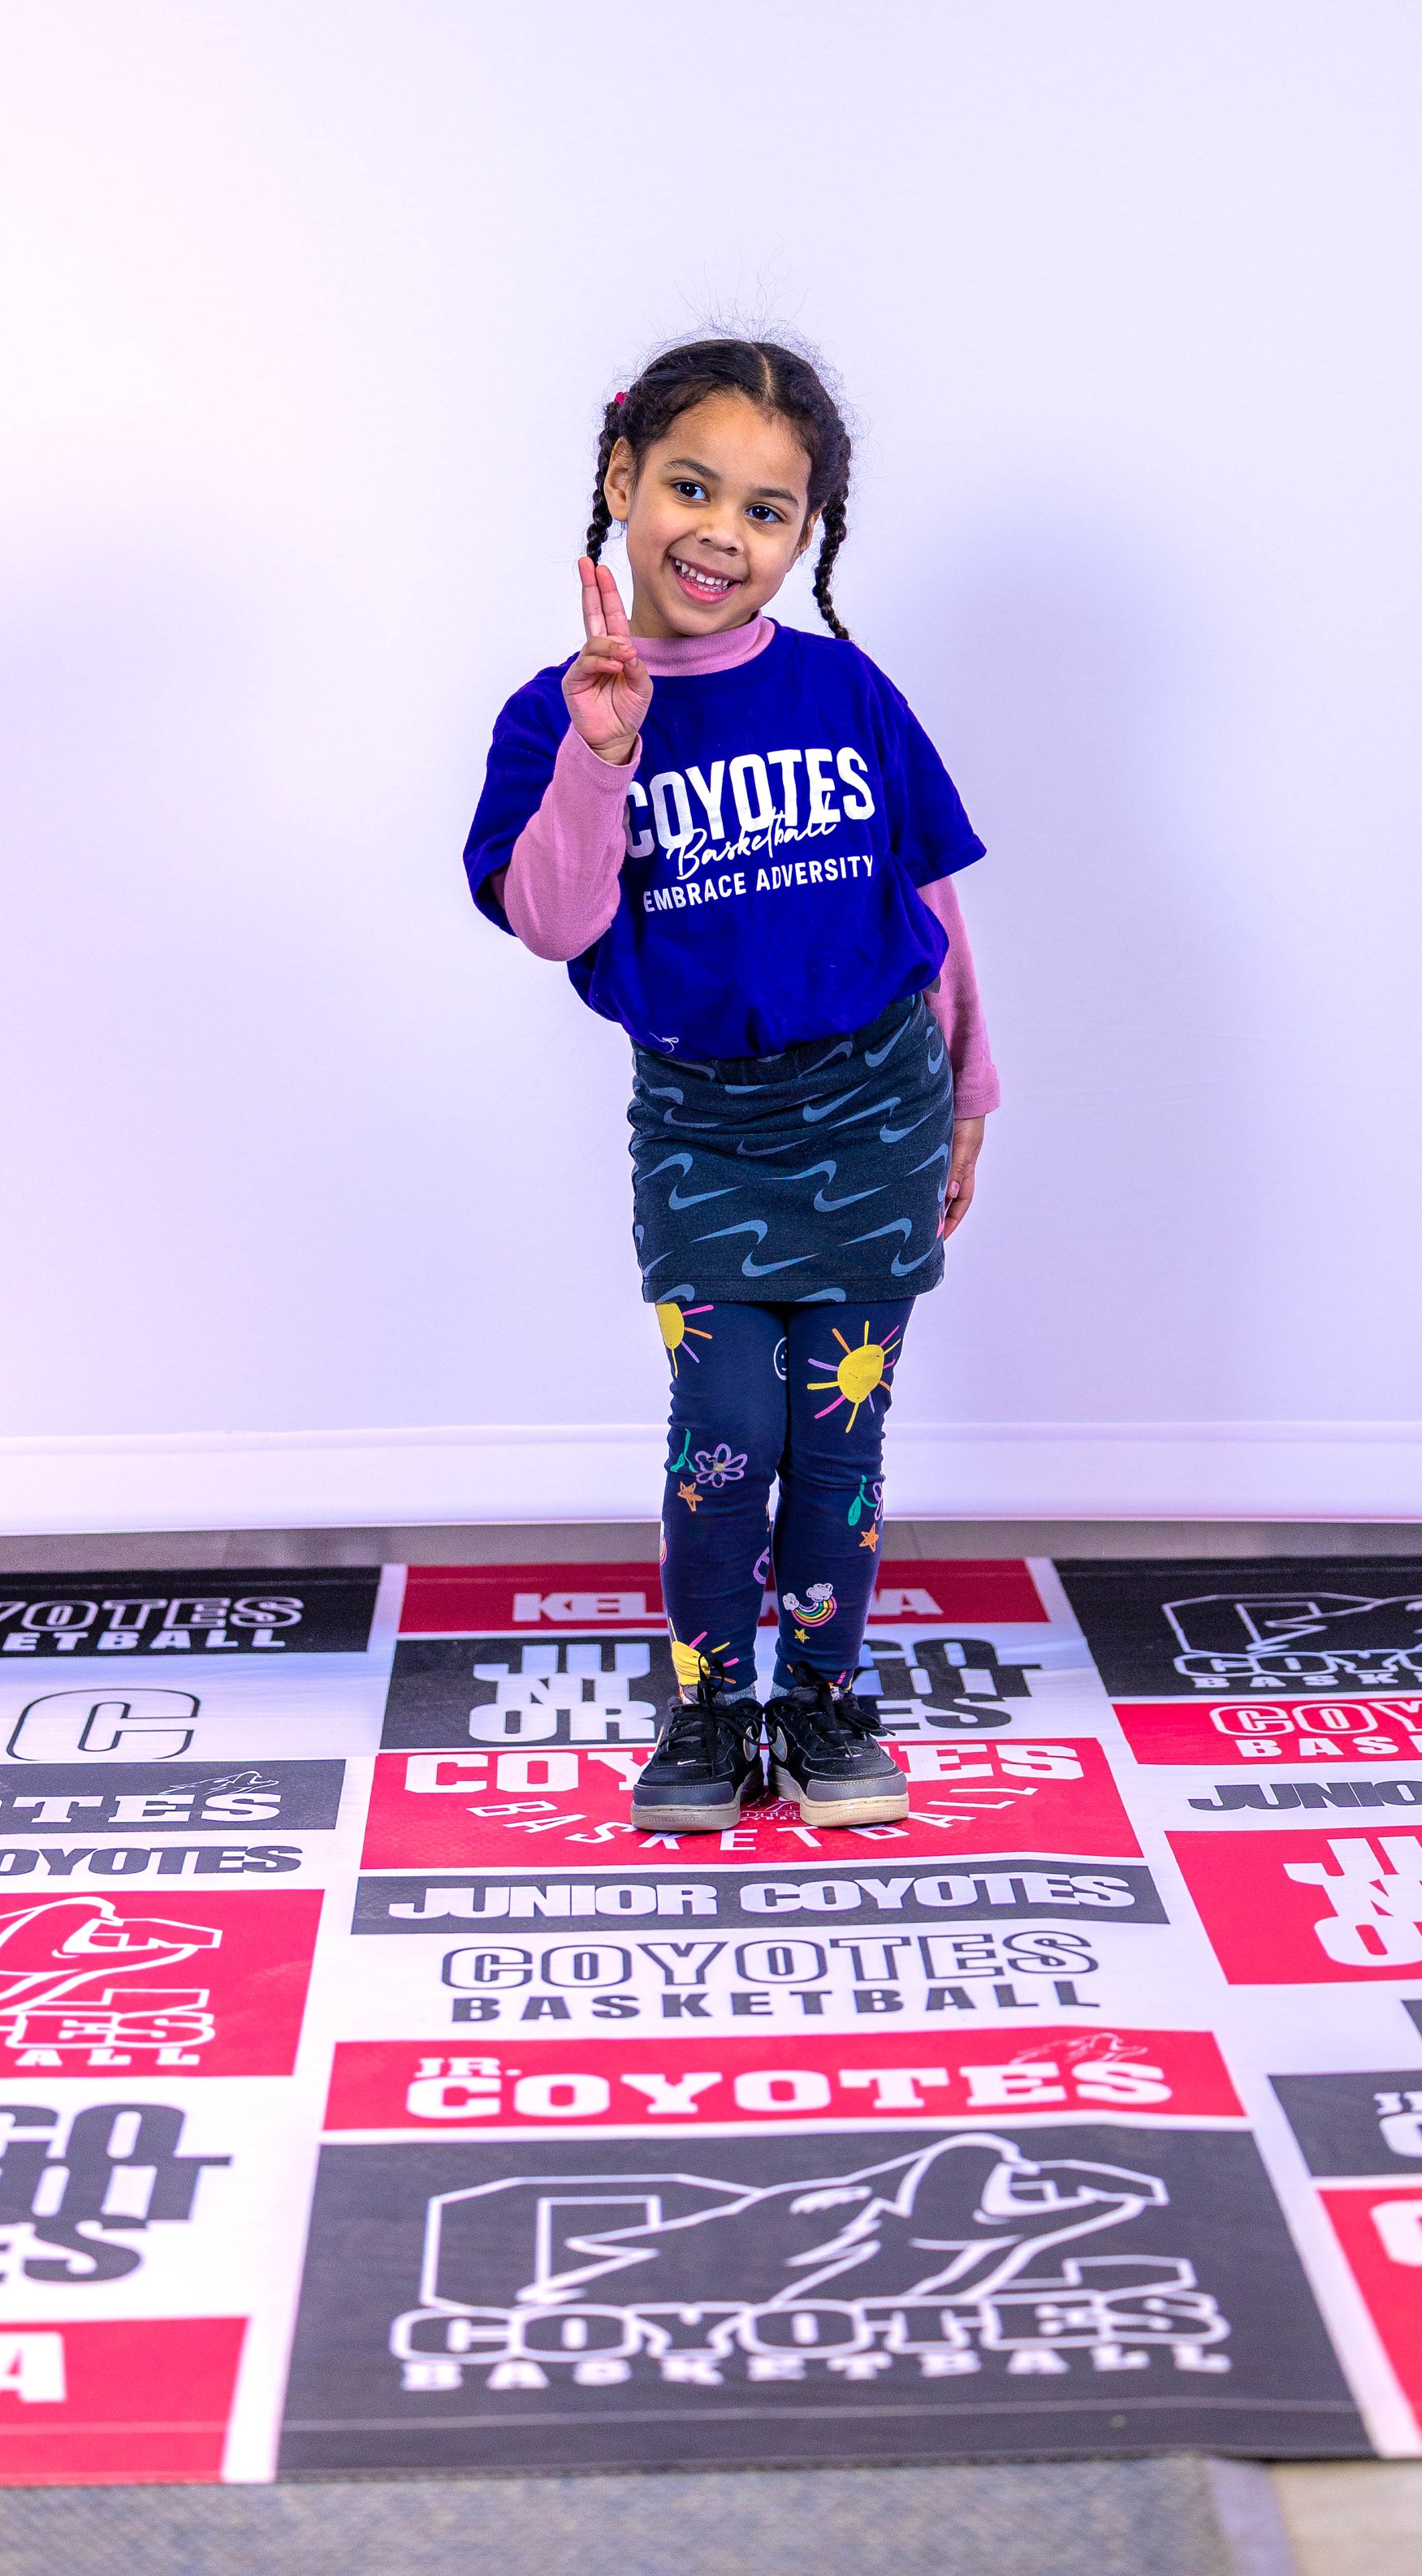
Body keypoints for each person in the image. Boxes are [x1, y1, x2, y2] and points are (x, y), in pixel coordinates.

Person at [463, 338, 999, 1835]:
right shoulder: (552, 716)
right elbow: (556, 921)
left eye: (770, 510)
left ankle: (826, 1697)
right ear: (623, 481)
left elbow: (931, 902)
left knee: (840, 1437)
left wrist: (972, 1086)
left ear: (805, 533)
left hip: (878, 1105)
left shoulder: (845, 687)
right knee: (726, 1439)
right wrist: (602, 751)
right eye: (691, 486)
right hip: (709, 1128)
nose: (723, 530)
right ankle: (710, 1707)